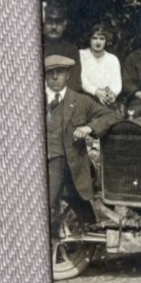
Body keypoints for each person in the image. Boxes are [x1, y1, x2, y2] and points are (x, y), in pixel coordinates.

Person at [45, 54, 119, 234]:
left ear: (68, 75)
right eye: (50, 73)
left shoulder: (80, 101)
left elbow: (112, 115)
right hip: (45, 163)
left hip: (72, 165)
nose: (55, 77)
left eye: (60, 72)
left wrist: (90, 127)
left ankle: (74, 246)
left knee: (83, 213)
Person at [79, 23, 122, 107]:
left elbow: (117, 83)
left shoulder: (113, 59)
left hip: (107, 100)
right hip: (87, 98)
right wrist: (96, 91)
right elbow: (82, 80)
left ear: (106, 41)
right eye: (94, 38)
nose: (98, 42)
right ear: (89, 39)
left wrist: (113, 94)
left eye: (102, 39)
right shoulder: (82, 55)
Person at [43, 0, 81, 91]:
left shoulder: (72, 50)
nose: (54, 27)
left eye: (58, 23)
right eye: (49, 22)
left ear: (64, 24)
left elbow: (74, 82)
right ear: (43, 24)